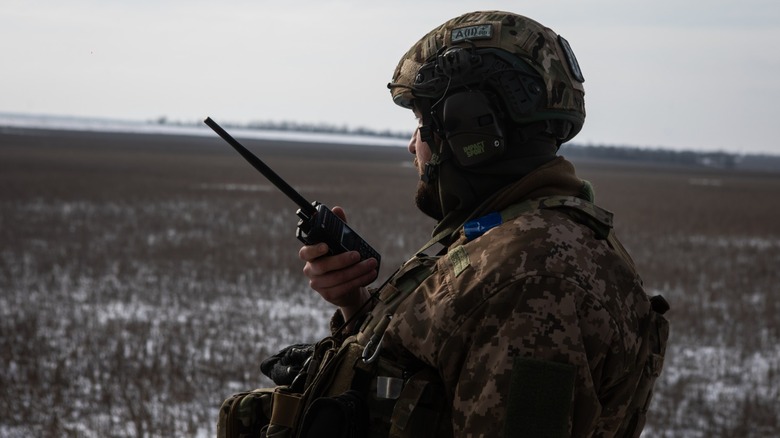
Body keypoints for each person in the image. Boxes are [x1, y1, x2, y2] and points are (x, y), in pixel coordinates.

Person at [220, 10, 669, 438]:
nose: (411, 145)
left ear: (470, 130)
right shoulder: (505, 240)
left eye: (420, 123)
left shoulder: (533, 280)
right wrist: (354, 307)